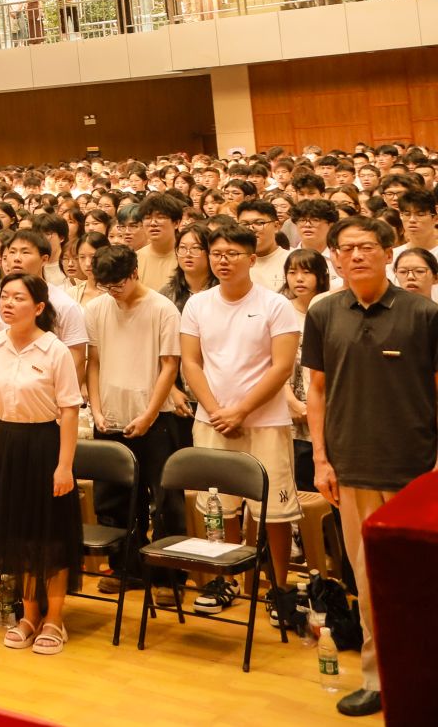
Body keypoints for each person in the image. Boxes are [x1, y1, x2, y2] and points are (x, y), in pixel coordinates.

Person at [302, 214, 438, 720]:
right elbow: (317, 391)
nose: (356, 255)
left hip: (414, 472)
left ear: (387, 252)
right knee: (368, 582)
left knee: (422, 584)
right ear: (335, 258)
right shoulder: (323, 313)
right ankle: (379, 680)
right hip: (350, 468)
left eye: (366, 246)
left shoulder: (423, 314)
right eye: (346, 248)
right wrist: (321, 459)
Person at [178, 218, 303, 630]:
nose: (223, 261)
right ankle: (226, 578)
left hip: (266, 422)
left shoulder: (275, 305)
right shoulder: (197, 304)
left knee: (274, 512)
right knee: (220, 508)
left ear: (251, 258)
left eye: (233, 254)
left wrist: (242, 410)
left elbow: (281, 367)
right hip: (212, 420)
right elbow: (191, 362)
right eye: (216, 254)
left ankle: (278, 587)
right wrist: (217, 410)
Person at [0, 270, 82, 655]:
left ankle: (54, 618)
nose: (8, 303)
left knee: (50, 536)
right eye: (4, 296)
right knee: (17, 535)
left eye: (18, 297)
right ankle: (29, 614)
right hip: (5, 443)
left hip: (44, 446)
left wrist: (64, 466)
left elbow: (69, 410)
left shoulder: (55, 350)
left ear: (38, 307)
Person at [82, 242, 187, 594]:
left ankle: (168, 577)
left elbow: (170, 365)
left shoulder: (162, 309)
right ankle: (126, 569)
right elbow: (94, 362)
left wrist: (149, 414)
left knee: (166, 501)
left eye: (118, 285)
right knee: (113, 500)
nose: (113, 293)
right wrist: (97, 410)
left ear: (134, 274)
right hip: (110, 417)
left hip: (156, 419)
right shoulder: (96, 308)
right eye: (105, 286)